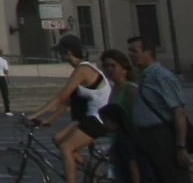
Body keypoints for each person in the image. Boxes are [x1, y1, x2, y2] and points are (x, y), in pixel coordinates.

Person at [26, 38, 114, 183]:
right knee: (58, 138)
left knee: (66, 147)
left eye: (61, 53)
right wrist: (49, 120)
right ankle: (90, 169)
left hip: (100, 118)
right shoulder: (82, 68)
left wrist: (35, 115)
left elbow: (61, 97)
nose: (60, 56)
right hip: (90, 116)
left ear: (68, 52)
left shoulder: (83, 69)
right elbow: (67, 101)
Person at [127, 35, 189, 183]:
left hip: (162, 137)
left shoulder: (161, 76)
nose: (130, 55)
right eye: (129, 51)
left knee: (173, 177)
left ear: (148, 52)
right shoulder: (145, 75)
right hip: (146, 138)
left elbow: (178, 112)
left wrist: (180, 146)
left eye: (134, 51)